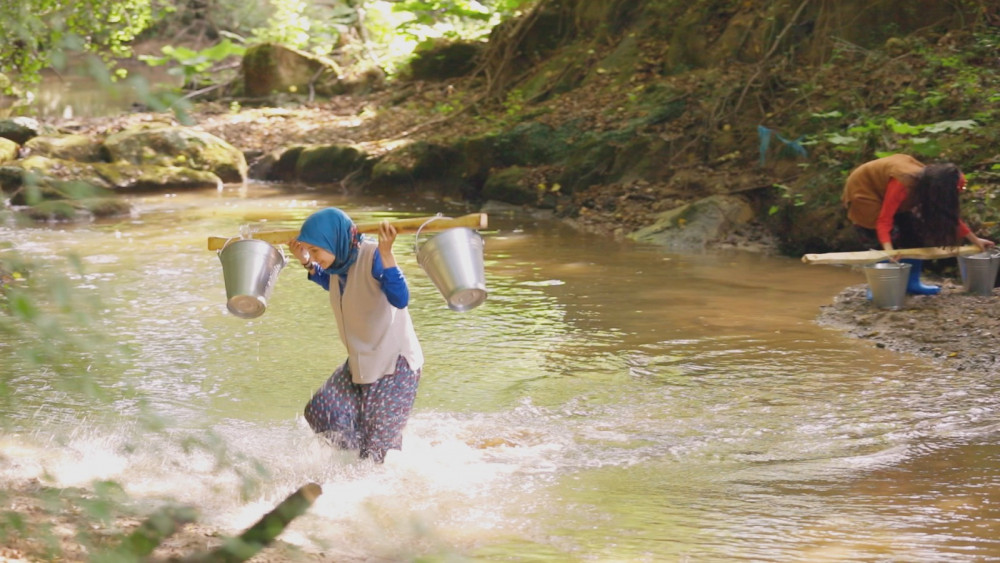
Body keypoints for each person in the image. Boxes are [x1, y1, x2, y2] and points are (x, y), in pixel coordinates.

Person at [288, 207, 424, 463]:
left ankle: (381, 455)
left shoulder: (372, 256)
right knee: (321, 412)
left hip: (394, 366)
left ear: (334, 240)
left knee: (375, 457)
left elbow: (401, 298)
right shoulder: (339, 265)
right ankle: (373, 447)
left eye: (316, 250)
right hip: (362, 362)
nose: (315, 256)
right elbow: (334, 284)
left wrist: (387, 253)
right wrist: (307, 261)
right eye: (312, 251)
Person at [841, 154, 995, 295]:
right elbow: (884, 220)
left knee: (914, 236)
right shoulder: (903, 183)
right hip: (865, 191)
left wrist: (975, 240)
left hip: (891, 189)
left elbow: (948, 216)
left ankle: (912, 283)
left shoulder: (931, 181)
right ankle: (878, 288)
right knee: (883, 239)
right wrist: (889, 250)